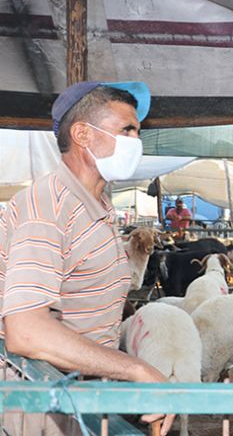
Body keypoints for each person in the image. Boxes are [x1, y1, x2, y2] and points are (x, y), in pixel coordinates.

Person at [0, 81, 175, 435]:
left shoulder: (96, 206)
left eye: (138, 133)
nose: (135, 143)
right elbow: (27, 331)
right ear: (82, 133)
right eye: (127, 130)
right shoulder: (49, 208)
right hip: (40, 407)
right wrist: (136, 369)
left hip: (76, 397)